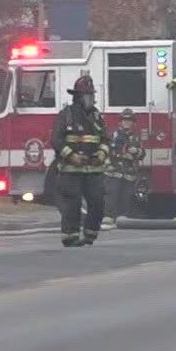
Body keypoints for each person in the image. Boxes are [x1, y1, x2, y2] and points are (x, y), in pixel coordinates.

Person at [51, 73, 108, 246]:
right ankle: (70, 237)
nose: (92, 98)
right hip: (71, 170)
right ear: (78, 96)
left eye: (92, 95)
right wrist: (72, 156)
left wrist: (101, 154)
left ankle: (90, 234)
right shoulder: (66, 115)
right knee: (72, 205)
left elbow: (105, 139)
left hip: (94, 170)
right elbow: (56, 140)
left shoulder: (97, 116)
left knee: (98, 203)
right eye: (88, 95)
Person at [103, 107, 145, 225]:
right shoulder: (112, 135)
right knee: (112, 194)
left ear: (133, 123)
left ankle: (123, 218)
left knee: (126, 196)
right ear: (120, 122)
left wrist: (135, 151)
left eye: (130, 120)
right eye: (125, 120)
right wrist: (108, 165)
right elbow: (104, 151)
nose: (127, 122)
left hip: (129, 173)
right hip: (113, 171)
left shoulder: (135, 138)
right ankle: (109, 217)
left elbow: (142, 154)